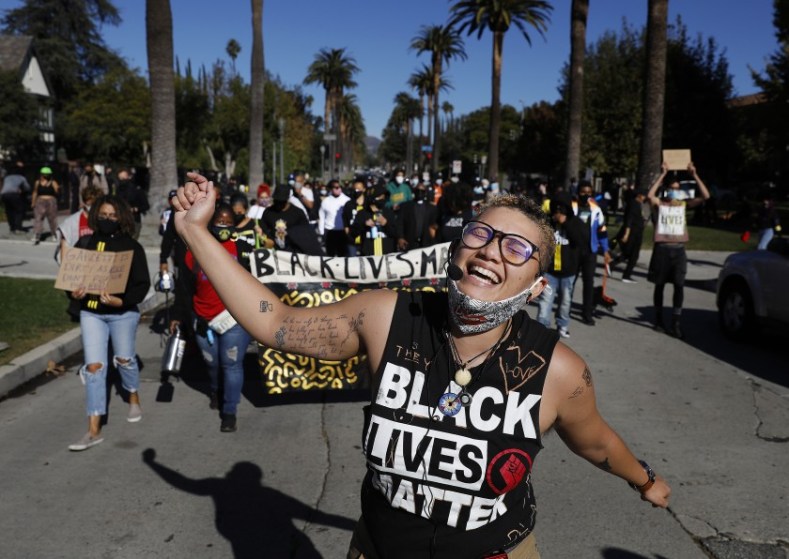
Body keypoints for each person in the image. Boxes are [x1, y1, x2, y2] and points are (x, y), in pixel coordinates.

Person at [173, 173, 671, 558]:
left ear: (537, 288)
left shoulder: (557, 370)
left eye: (518, 247)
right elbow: (276, 322)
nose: (492, 250)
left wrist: (645, 481)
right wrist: (196, 232)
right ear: (458, 248)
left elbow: (598, 442)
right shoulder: (388, 317)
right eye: (482, 233)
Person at [66, 195, 151, 451]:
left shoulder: (132, 248)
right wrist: (74, 292)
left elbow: (142, 284)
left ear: (122, 218)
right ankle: (93, 429)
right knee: (94, 368)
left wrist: (121, 301)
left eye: (113, 216)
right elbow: (72, 278)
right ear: (95, 216)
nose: (107, 219)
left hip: (122, 314)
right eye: (103, 215)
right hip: (91, 313)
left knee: (125, 359)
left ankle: (133, 394)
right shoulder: (85, 243)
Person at [171, 204, 251, 433]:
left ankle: (229, 412)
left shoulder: (242, 248)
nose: (223, 226)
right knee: (212, 363)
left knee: (231, 365)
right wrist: (179, 314)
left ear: (234, 225)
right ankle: (216, 389)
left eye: (228, 223)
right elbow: (184, 287)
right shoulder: (194, 250)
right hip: (203, 318)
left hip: (234, 318)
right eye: (219, 222)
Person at [646, 161, 710, 339]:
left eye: (677, 188)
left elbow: (706, 196)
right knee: (659, 286)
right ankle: (659, 319)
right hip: (662, 249)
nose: (674, 191)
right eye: (671, 188)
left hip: (679, 250)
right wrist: (662, 175)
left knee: (679, 286)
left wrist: (694, 174)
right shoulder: (660, 204)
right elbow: (650, 195)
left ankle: (676, 321)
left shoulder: (682, 204)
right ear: (666, 189)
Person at [536, 192, 588, 338]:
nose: (558, 213)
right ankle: (542, 327)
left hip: (568, 273)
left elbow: (581, 242)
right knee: (545, 301)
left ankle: (562, 325)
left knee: (565, 302)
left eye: (562, 209)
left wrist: (566, 223)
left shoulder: (575, 223)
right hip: (550, 272)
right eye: (556, 209)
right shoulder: (548, 223)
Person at [572, 181, 611, 325]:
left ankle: (586, 313)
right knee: (570, 282)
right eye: (583, 192)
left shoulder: (596, 209)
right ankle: (564, 309)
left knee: (589, 283)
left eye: (589, 192)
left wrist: (605, 250)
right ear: (578, 192)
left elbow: (602, 231)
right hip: (573, 250)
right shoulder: (571, 207)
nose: (586, 195)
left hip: (590, 251)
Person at [611, 189, 648, 283]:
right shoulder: (633, 204)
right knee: (631, 254)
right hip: (632, 233)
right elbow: (629, 220)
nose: (645, 198)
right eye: (644, 195)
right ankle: (625, 275)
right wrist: (626, 234)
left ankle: (614, 266)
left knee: (631, 254)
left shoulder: (638, 204)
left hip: (637, 232)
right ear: (639, 195)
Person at [351, 181, 397, 256]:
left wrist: (386, 224)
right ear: (372, 197)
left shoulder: (388, 213)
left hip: (387, 256)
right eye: (379, 197)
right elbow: (353, 233)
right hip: (368, 257)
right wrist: (364, 225)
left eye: (384, 197)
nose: (382, 199)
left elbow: (395, 234)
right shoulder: (362, 213)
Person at [230, 192, 272, 272]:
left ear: (245, 210)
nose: (237, 215)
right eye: (234, 213)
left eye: (239, 213)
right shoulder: (229, 226)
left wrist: (262, 236)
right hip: (233, 271)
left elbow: (270, 244)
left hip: (252, 272)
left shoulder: (256, 224)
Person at [396, 181, 438, 251]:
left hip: (426, 244)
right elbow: (400, 223)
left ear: (425, 192)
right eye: (417, 191)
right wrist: (400, 237)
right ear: (414, 191)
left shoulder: (431, 208)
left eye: (422, 191)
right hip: (409, 243)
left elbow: (434, 225)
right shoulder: (405, 206)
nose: (419, 193)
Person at [319, 179, 351, 256]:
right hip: (330, 232)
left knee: (342, 255)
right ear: (331, 188)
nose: (338, 189)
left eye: (339, 187)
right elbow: (321, 217)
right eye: (335, 187)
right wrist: (322, 232)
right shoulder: (325, 201)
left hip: (342, 232)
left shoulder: (347, 200)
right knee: (330, 254)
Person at [115, 168, 149, 240]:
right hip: (121, 221)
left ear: (129, 177)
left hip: (134, 220)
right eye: (120, 179)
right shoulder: (118, 190)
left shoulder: (137, 190)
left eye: (124, 178)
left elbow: (146, 205)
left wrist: (135, 209)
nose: (122, 181)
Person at [30, 166, 60, 244]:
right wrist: (33, 202)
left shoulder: (53, 182)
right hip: (40, 201)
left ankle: (54, 234)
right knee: (38, 218)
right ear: (41, 174)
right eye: (44, 174)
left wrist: (57, 188)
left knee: (52, 219)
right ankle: (37, 234)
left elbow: (57, 192)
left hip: (51, 201)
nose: (46, 176)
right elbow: (35, 192)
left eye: (47, 174)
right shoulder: (37, 182)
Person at [1, 161, 30, 235]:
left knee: (9, 211)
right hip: (14, 195)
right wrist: (22, 190)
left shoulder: (7, 177)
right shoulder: (21, 177)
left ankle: (12, 228)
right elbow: (27, 188)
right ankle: (18, 228)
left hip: (4, 195)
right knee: (19, 210)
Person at [342, 178, 367, 256]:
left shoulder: (368, 203)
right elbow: (345, 218)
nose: (357, 191)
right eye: (355, 189)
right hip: (352, 238)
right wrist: (347, 230)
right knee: (352, 260)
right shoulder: (349, 204)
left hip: (365, 238)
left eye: (359, 189)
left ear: (364, 189)